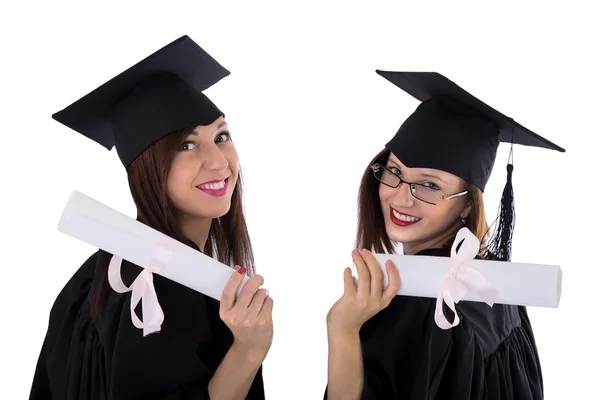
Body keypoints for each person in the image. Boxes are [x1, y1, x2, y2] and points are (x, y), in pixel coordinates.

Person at [29, 36, 271, 400]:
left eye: (221, 135)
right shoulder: (157, 286)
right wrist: (249, 349)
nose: (220, 162)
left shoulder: (99, 271)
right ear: (147, 167)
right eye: (187, 145)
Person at [324, 70, 565, 399]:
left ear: (467, 206)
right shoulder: (498, 286)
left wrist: (342, 329)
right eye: (394, 171)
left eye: (430, 185)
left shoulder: (416, 300)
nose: (401, 196)